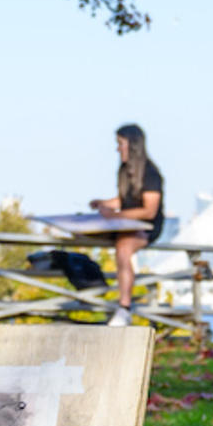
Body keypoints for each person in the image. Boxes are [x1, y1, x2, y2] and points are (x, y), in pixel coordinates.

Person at [90, 122, 165, 314]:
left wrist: (115, 215)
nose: (117, 149)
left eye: (120, 143)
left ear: (132, 145)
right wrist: (104, 204)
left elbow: (149, 211)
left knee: (123, 247)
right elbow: (125, 201)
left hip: (147, 227)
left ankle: (124, 306)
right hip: (125, 223)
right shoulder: (124, 171)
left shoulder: (150, 174)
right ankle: (89, 296)